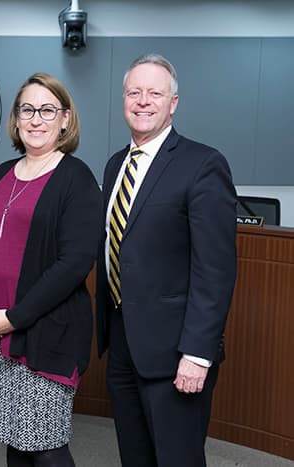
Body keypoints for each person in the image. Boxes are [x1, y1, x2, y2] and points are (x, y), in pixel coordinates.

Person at [95, 54, 237, 467]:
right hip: (122, 342)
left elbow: (215, 268)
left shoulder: (203, 164)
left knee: (178, 459)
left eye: (155, 93)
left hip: (177, 352)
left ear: (173, 103)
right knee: (135, 457)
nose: (143, 101)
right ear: (124, 99)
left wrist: (197, 353)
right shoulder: (115, 164)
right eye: (134, 92)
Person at [0, 72, 103, 467]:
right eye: (28, 109)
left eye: (47, 110)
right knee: (16, 440)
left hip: (46, 334)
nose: (36, 119)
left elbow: (74, 263)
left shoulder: (76, 178)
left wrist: (15, 318)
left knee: (45, 445)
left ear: (65, 119)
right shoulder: (1, 173)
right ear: (16, 118)